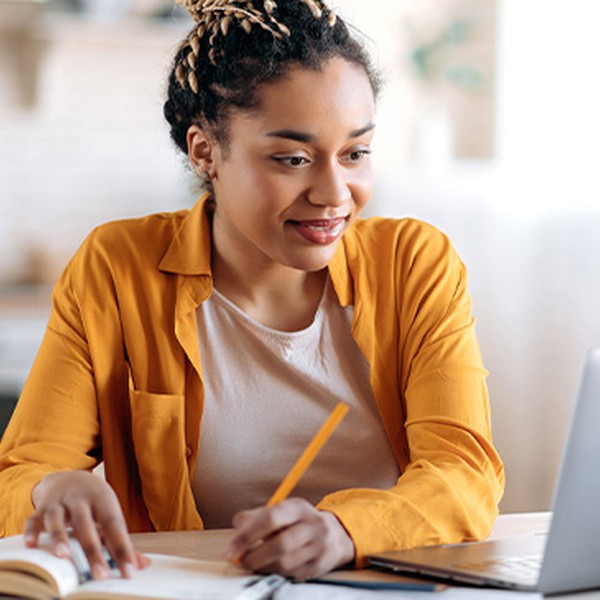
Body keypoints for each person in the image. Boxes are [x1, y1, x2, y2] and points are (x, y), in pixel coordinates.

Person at [0, 0, 504, 583]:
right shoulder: (116, 269)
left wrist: (345, 530)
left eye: (355, 154)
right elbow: (21, 471)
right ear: (205, 152)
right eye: (292, 159)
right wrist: (48, 489)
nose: (334, 194)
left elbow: (464, 473)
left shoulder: (415, 264)